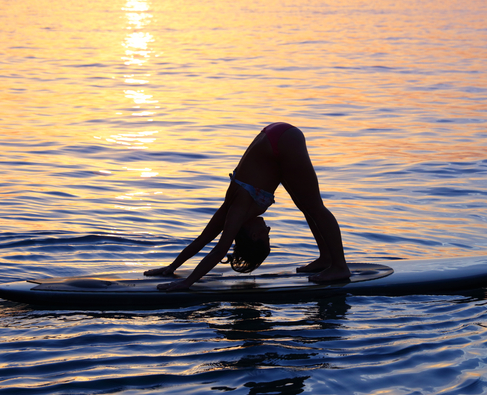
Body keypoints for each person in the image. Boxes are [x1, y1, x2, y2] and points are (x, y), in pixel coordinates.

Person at [145, 122, 350, 291]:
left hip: (282, 141)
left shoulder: (236, 212)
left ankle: (339, 266)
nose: (268, 229)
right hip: (274, 140)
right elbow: (202, 240)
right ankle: (326, 257)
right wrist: (172, 267)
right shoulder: (229, 211)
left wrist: (186, 282)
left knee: (315, 207)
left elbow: (217, 250)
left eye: (266, 235)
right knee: (308, 207)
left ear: (253, 236)